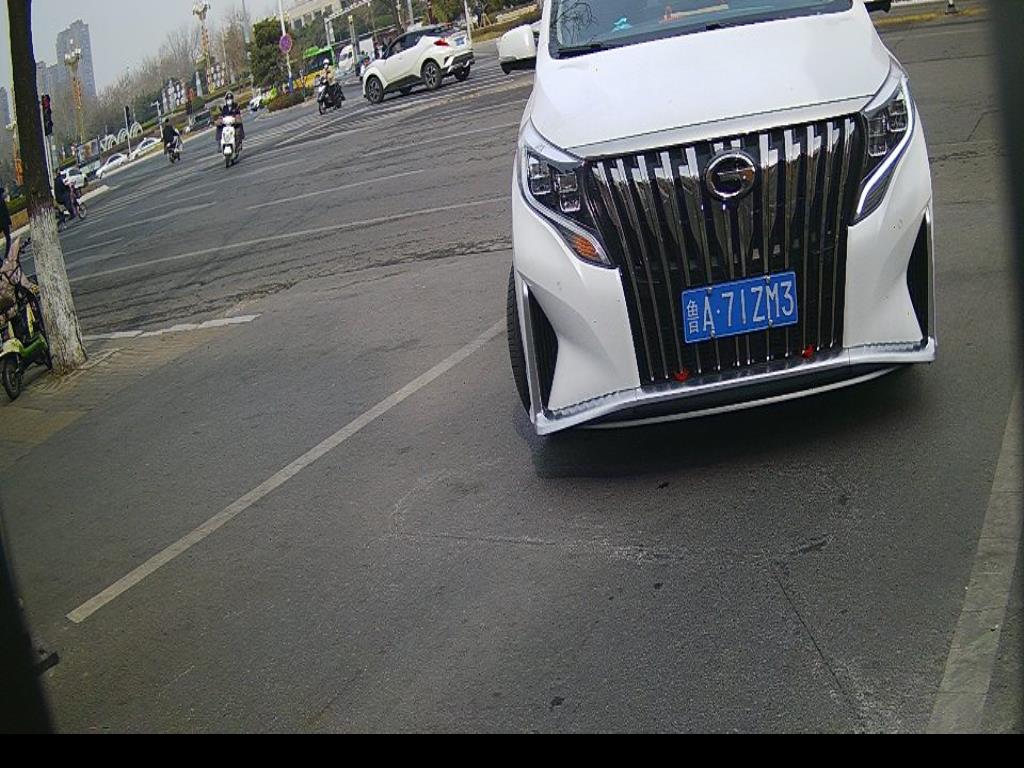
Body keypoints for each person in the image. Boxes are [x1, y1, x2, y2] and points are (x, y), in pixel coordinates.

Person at [0, 185, 11, 260]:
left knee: (8, 238)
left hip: (3, 222)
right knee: (8, 238)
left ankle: (4, 257)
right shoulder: (1, 201)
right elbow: (5, 211)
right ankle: (6, 256)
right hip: (4, 222)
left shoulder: (2, 201)